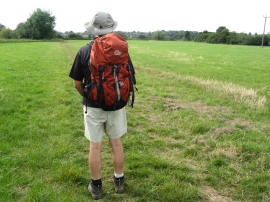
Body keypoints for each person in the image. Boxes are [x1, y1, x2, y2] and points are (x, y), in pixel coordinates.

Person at [69, 12, 130, 200]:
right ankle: (119, 182)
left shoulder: (84, 50)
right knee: (116, 142)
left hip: (93, 105)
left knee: (95, 146)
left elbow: (77, 83)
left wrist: (89, 96)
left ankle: (96, 187)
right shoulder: (121, 50)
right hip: (117, 104)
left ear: (94, 30)